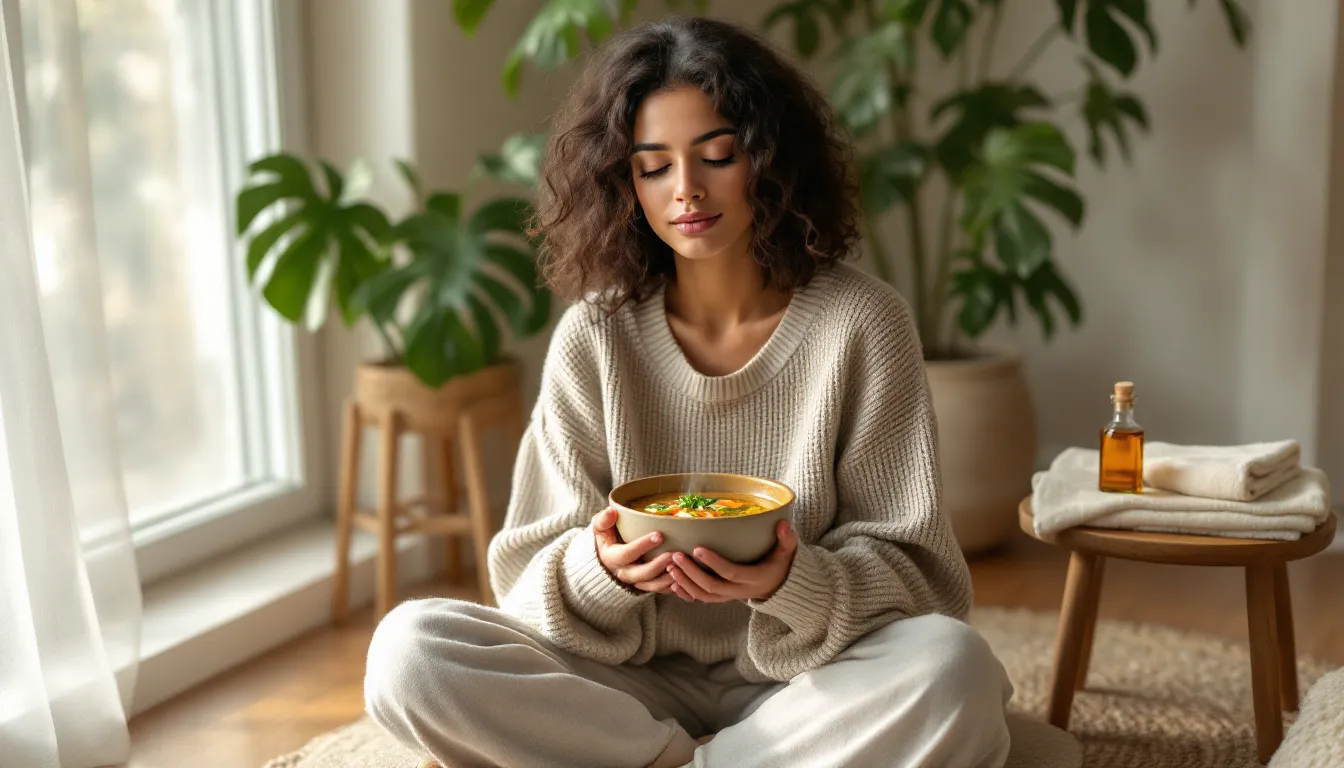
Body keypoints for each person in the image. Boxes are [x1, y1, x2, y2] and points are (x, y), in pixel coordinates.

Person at [364, 15, 1013, 768]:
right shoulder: (596, 334)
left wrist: (789, 580)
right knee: (410, 654)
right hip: (618, 684)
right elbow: (523, 576)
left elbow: (923, 579)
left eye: (717, 155)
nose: (687, 192)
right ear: (623, 182)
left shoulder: (862, 324)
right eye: (653, 167)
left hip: (809, 680)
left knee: (953, 668)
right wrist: (602, 572)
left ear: (769, 160)